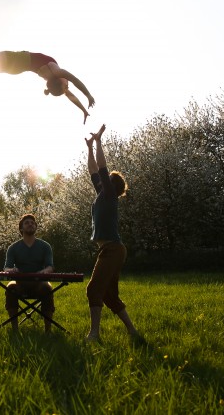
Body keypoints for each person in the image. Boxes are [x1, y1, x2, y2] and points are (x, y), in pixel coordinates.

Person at [84, 124, 143, 343]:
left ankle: (94, 334)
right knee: (109, 295)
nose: (101, 181)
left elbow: (101, 168)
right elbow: (93, 171)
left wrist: (99, 142)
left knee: (93, 290)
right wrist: (89, 147)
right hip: (110, 249)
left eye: (106, 180)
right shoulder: (103, 194)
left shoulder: (109, 194)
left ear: (111, 184)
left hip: (112, 249)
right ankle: (133, 332)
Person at [0, 51, 96, 123]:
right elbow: (71, 96)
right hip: (16, 68)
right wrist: (83, 110)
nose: (68, 84)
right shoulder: (55, 81)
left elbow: (75, 80)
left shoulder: (56, 72)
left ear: (61, 82)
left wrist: (88, 95)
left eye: (66, 84)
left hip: (13, 59)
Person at [3, 214, 56, 332]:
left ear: (36, 227)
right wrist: (12, 270)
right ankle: (15, 330)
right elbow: (6, 268)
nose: (30, 224)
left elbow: (50, 266)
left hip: (39, 284)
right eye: (27, 223)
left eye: (32, 223)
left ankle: (48, 331)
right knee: (10, 287)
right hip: (20, 284)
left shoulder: (45, 246)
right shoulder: (13, 248)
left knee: (47, 288)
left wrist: (44, 271)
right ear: (21, 228)